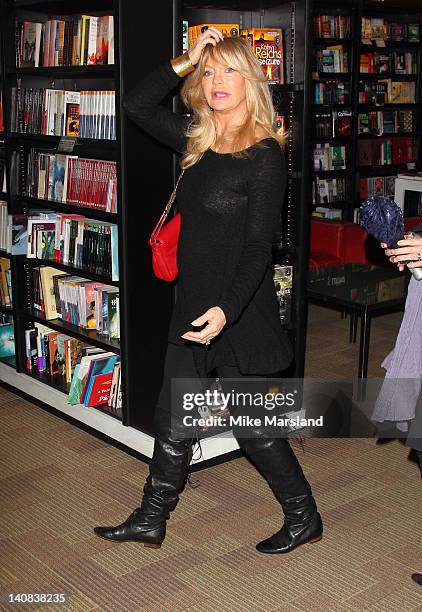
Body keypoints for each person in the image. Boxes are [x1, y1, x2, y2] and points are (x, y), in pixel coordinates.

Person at [93, 28, 322, 553]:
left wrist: (226, 309)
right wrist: (185, 58)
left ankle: (304, 516)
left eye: (230, 71)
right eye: (210, 71)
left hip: (238, 315)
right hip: (191, 308)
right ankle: (152, 517)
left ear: (252, 81)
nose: (217, 81)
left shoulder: (264, 156)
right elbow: (136, 103)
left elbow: (259, 248)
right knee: (173, 420)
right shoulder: (197, 138)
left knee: (254, 430)